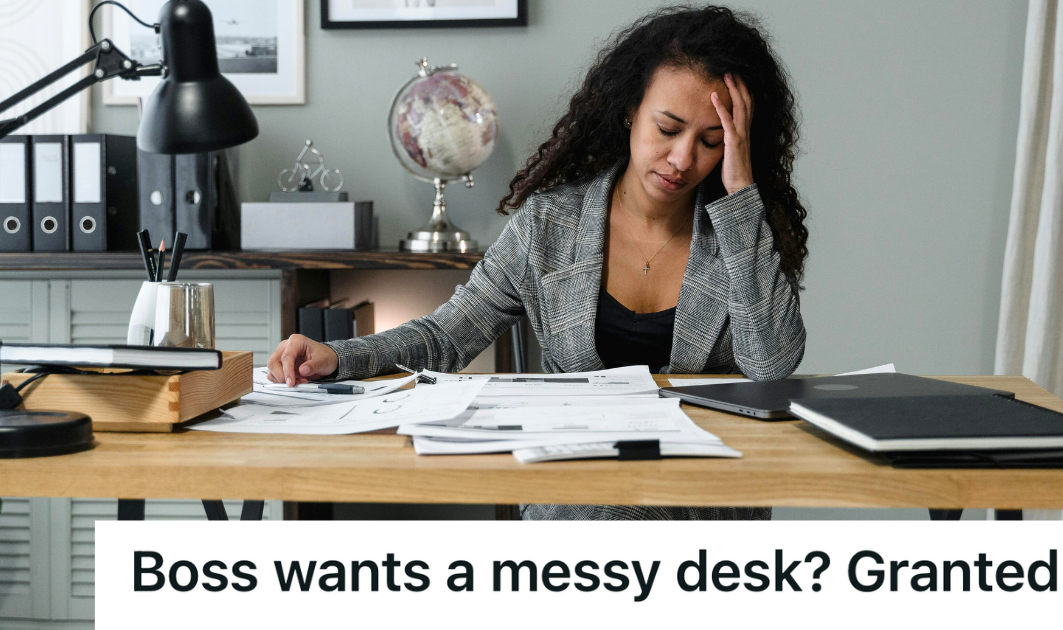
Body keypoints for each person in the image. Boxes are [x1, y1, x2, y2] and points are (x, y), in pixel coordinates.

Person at [266, 5, 809, 520]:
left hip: (701, 511)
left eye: (711, 142)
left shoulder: (742, 233)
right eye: (667, 130)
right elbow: (447, 336)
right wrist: (338, 356)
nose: (683, 158)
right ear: (629, 112)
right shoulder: (550, 225)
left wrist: (740, 195)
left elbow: (772, 365)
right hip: (576, 505)